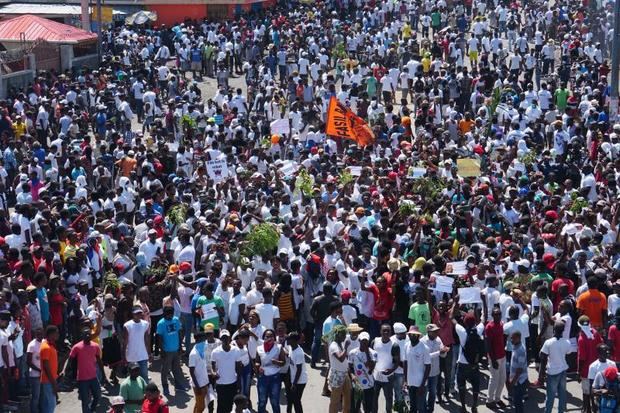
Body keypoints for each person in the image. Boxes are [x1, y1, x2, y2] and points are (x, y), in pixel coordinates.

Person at [66, 327, 107, 413]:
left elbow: (99, 361)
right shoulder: (76, 347)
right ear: (82, 336)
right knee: (85, 400)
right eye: (85, 334)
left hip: (93, 377)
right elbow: (70, 361)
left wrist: (103, 374)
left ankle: (91, 410)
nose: (88, 335)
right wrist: (67, 374)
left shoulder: (95, 346)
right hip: (82, 378)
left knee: (97, 396)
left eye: (89, 333)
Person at [540, 321, 574, 413]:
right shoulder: (567, 342)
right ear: (563, 330)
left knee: (550, 396)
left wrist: (541, 374)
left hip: (552, 372)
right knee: (562, 394)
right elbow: (568, 353)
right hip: (563, 371)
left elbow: (542, 357)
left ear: (554, 329)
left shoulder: (548, 342)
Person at [156, 305, 187, 394]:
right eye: (168, 315)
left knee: (176, 368)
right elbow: (159, 338)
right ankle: (165, 386)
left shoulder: (176, 320)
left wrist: (180, 347)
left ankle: (178, 385)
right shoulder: (161, 323)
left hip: (176, 349)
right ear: (165, 314)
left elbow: (179, 333)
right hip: (167, 351)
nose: (170, 316)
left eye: (171, 314)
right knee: (165, 370)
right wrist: (162, 351)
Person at [456, 313, 484, 413]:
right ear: (474, 322)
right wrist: (484, 302)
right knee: (475, 385)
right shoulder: (478, 330)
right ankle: (474, 406)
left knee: (461, 385)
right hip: (474, 364)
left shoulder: (462, 331)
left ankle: (463, 406)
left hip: (463, 364)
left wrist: (455, 303)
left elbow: (451, 318)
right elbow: (483, 319)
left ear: (464, 322)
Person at [210, 329, 242, 413]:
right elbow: (212, 365)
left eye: (226, 337)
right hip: (221, 383)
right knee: (221, 405)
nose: (225, 340)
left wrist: (239, 382)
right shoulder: (215, 352)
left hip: (232, 382)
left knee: (230, 405)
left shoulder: (236, 350)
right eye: (223, 338)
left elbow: (238, 368)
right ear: (220, 339)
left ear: (230, 338)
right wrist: (213, 373)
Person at [577, 315, 604, 413]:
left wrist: (578, 372)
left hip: (586, 371)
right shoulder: (595, 333)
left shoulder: (581, 339)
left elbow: (582, 358)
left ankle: (586, 409)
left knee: (586, 392)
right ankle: (595, 409)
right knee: (596, 392)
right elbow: (602, 345)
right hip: (597, 369)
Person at [255, 329, 285, 413]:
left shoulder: (278, 347)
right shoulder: (259, 348)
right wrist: (257, 366)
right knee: (262, 401)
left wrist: (276, 362)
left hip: (275, 378)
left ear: (274, 338)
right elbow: (257, 361)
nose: (269, 338)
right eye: (267, 336)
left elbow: (283, 362)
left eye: (271, 336)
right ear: (263, 337)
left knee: (275, 401)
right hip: (263, 377)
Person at [421, 324, 448, 413]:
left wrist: (444, 351)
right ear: (429, 332)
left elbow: (443, 355)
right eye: (435, 331)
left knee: (432, 393)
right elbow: (425, 357)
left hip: (435, 371)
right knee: (424, 393)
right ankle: (424, 410)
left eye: (437, 331)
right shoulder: (422, 341)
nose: (437, 333)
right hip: (424, 372)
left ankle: (430, 410)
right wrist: (439, 352)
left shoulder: (438, 339)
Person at [404, 325, 431, 413]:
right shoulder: (406, 346)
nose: (413, 336)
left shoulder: (425, 348)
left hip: (420, 383)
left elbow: (428, 367)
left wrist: (422, 385)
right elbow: (405, 363)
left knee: (421, 408)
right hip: (410, 383)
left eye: (415, 335)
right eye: (411, 334)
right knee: (413, 407)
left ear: (419, 335)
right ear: (408, 335)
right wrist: (405, 380)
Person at [372, 323, 398, 412]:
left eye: (388, 331)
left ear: (391, 332)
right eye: (384, 330)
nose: (386, 332)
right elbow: (370, 355)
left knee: (389, 398)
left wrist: (391, 370)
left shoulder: (394, 345)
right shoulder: (375, 341)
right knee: (374, 398)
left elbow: (397, 362)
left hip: (388, 377)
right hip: (375, 376)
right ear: (380, 331)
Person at [485, 307, 507, 409]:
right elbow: (488, 345)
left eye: (499, 314)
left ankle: (497, 398)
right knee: (494, 379)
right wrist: (493, 360)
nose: (497, 316)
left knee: (502, 379)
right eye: (495, 314)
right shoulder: (489, 327)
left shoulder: (502, 324)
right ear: (492, 315)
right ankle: (489, 400)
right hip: (495, 358)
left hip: (502, 356)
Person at [349, 331, 376, 412]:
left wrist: (367, 352)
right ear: (359, 341)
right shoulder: (352, 353)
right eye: (362, 341)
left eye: (366, 341)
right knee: (354, 408)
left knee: (368, 409)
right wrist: (352, 375)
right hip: (357, 385)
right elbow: (349, 367)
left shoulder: (373, 353)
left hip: (369, 385)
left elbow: (371, 368)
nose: (364, 343)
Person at [123, 306, 150, 383]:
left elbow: (147, 340)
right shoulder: (127, 325)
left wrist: (149, 353)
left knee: (144, 377)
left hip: (143, 355)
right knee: (132, 378)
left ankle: (145, 394)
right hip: (131, 356)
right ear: (133, 314)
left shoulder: (146, 324)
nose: (138, 315)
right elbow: (124, 342)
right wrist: (124, 356)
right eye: (136, 313)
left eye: (140, 313)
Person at [328, 325, 351, 413]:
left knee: (347, 398)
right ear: (337, 335)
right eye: (343, 335)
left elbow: (345, 358)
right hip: (337, 375)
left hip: (345, 374)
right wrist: (345, 347)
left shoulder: (340, 343)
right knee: (335, 401)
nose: (345, 337)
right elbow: (341, 358)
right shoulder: (333, 346)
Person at [286, 331, 307, 413]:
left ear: (294, 341)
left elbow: (299, 370)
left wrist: (294, 384)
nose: (287, 339)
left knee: (296, 401)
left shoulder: (299, 353)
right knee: (291, 400)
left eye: (289, 338)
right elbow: (290, 356)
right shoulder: (292, 347)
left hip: (300, 381)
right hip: (293, 379)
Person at [39, 325, 59, 413]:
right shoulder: (45, 347)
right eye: (56, 333)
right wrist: (54, 383)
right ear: (51, 334)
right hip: (48, 381)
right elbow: (46, 367)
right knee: (51, 404)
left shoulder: (50, 345)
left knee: (48, 404)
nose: (58, 334)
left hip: (50, 380)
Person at [507, 331, 528, 413]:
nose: (511, 340)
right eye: (511, 338)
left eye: (513, 338)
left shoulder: (520, 351)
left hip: (519, 381)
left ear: (518, 338)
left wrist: (513, 381)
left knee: (518, 402)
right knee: (517, 401)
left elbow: (519, 370)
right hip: (517, 380)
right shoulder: (515, 346)